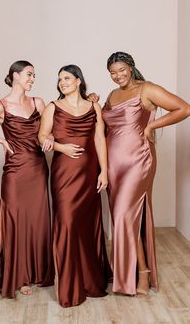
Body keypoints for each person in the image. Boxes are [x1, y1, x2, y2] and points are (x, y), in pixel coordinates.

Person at [101, 51, 190, 296]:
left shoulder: (147, 89)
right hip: (113, 163)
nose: (117, 76)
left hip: (138, 160)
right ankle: (125, 269)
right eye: (112, 73)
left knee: (123, 215)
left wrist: (152, 125)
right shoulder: (112, 94)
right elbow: (104, 123)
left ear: (130, 67)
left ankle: (142, 272)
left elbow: (184, 108)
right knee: (125, 217)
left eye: (121, 70)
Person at [0, 60, 54, 304]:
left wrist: (50, 138)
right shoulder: (1, 106)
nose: (33, 79)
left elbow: (50, 131)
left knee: (33, 223)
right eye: (29, 74)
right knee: (6, 226)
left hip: (37, 169)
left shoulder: (38, 102)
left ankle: (24, 277)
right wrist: (0, 142)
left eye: (34, 75)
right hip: (15, 172)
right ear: (15, 76)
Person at [38, 64, 112, 307]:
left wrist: (104, 171)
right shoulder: (53, 107)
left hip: (89, 174)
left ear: (79, 80)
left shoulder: (94, 107)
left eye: (67, 78)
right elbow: (42, 136)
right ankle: (68, 287)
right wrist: (60, 147)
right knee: (67, 224)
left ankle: (90, 281)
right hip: (64, 174)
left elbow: (99, 138)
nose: (62, 82)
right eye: (59, 79)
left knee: (86, 226)